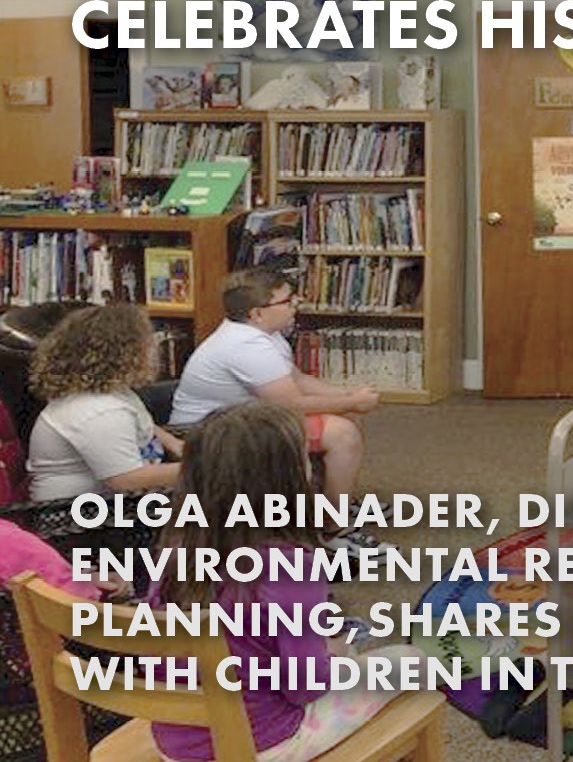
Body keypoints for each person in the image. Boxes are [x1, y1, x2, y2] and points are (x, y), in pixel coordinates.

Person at [149, 402, 429, 762]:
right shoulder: (291, 565)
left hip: (176, 743)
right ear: (286, 481)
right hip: (261, 743)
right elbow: (306, 687)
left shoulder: (175, 549)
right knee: (412, 661)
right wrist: (333, 653)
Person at [170, 268, 378, 511]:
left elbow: (297, 380)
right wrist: (352, 402)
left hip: (239, 422)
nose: (296, 304)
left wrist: (347, 396)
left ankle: (333, 499)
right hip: (209, 435)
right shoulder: (246, 345)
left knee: (347, 417)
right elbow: (290, 404)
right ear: (257, 313)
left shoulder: (264, 333)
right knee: (342, 433)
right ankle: (334, 528)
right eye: (287, 301)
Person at [26, 305, 183, 502]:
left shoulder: (105, 390)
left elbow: (141, 423)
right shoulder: (99, 412)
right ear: (126, 352)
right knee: (221, 514)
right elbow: (127, 480)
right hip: (80, 519)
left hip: (109, 504)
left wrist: (174, 444)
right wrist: (206, 469)